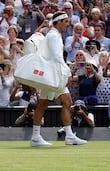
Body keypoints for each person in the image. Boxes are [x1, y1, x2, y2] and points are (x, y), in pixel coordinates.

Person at [31, 11, 87, 147]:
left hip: (52, 75)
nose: (68, 24)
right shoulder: (54, 36)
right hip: (53, 76)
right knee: (46, 104)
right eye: (66, 21)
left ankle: (68, 136)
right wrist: (67, 73)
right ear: (59, 22)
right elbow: (57, 57)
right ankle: (36, 137)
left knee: (63, 102)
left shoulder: (54, 35)